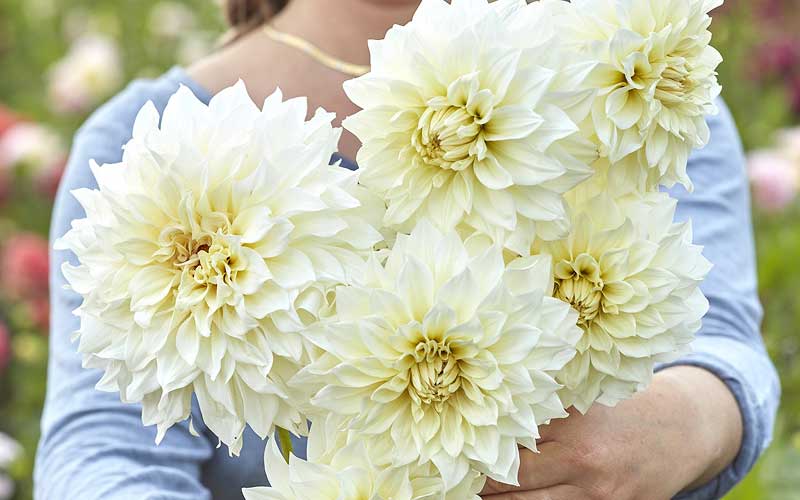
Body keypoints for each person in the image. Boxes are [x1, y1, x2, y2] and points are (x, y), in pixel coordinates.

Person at [34, 1, 780, 499]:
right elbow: (104, 456)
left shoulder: (634, 73)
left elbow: (723, 346)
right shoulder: (140, 140)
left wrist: (682, 422)